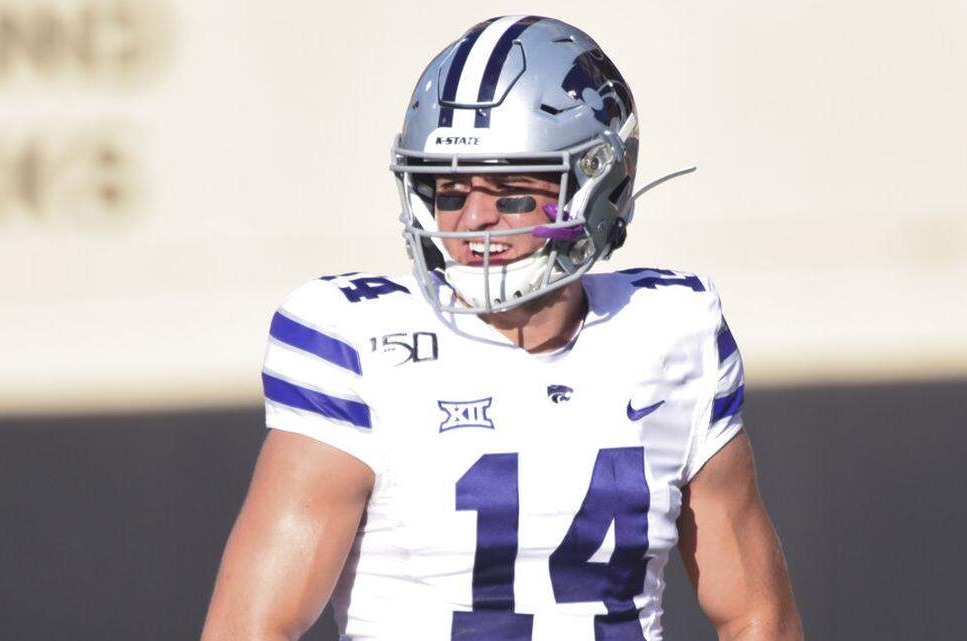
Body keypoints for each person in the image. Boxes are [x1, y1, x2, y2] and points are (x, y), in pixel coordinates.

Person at [202, 15, 803, 641]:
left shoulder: (672, 332)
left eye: (512, 193)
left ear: (600, 186)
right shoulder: (354, 340)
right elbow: (251, 627)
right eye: (449, 191)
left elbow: (756, 615)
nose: (475, 221)